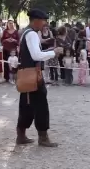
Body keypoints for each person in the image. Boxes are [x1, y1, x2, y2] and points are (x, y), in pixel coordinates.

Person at [16, 9, 63, 147]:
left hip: (27, 75)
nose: (45, 23)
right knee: (41, 105)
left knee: (26, 104)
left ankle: (21, 135)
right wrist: (53, 53)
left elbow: (34, 53)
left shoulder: (26, 32)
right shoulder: (32, 34)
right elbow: (36, 56)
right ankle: (43, 137)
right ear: (36, 20)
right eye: (43, 21)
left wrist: (48, 52)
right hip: (33, 76)